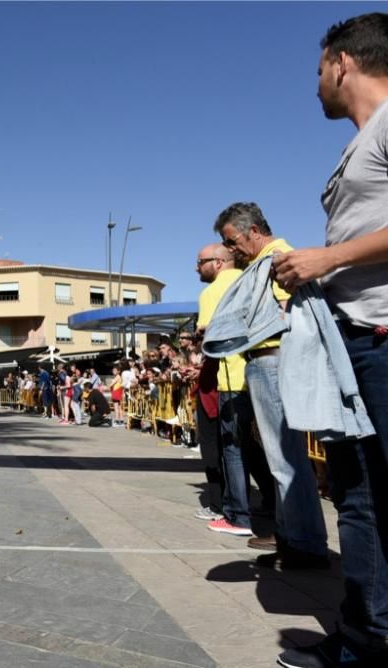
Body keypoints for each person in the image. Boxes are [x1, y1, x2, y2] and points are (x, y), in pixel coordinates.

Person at [270, 13, 388, 667]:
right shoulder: (364, 141)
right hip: (356, 346)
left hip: (383, 338)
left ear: (342, 62)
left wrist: (328, 258)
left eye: (318, 69)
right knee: (360, 499)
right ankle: (367, 635)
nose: (315, 84)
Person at [215, 202, 329, 571]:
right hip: (267, 362)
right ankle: (293, 537)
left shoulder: (276, 258)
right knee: (283, 458)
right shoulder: (267, 260)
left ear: (252, 231)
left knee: (285, 460)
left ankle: (304, 545)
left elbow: (287, 316)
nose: (230, 249)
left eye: (232, 240)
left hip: (272, 360)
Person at [193, 244, 276, 539]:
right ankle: (277, 506)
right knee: (267, 447)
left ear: (217, 263)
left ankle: (236, 514)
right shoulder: (251, 278)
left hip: (230, 378)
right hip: (265, 370)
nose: (196, 268)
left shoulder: (212, 292)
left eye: (200, 262)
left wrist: (201, 335)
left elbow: (209, 337)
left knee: (232, 449)